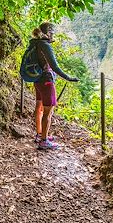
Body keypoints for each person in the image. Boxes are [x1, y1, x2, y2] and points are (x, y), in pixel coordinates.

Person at [31, 22, 79, 150]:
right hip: (46, 81)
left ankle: (40, 134)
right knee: (48, 111)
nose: (53, 35)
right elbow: (55, 66)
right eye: (52, 33)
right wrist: (68, 77)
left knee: (39, 107)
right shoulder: (45, 46)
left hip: (37, 79)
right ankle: (44, 141)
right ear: (47, 33)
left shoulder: (35, 43)